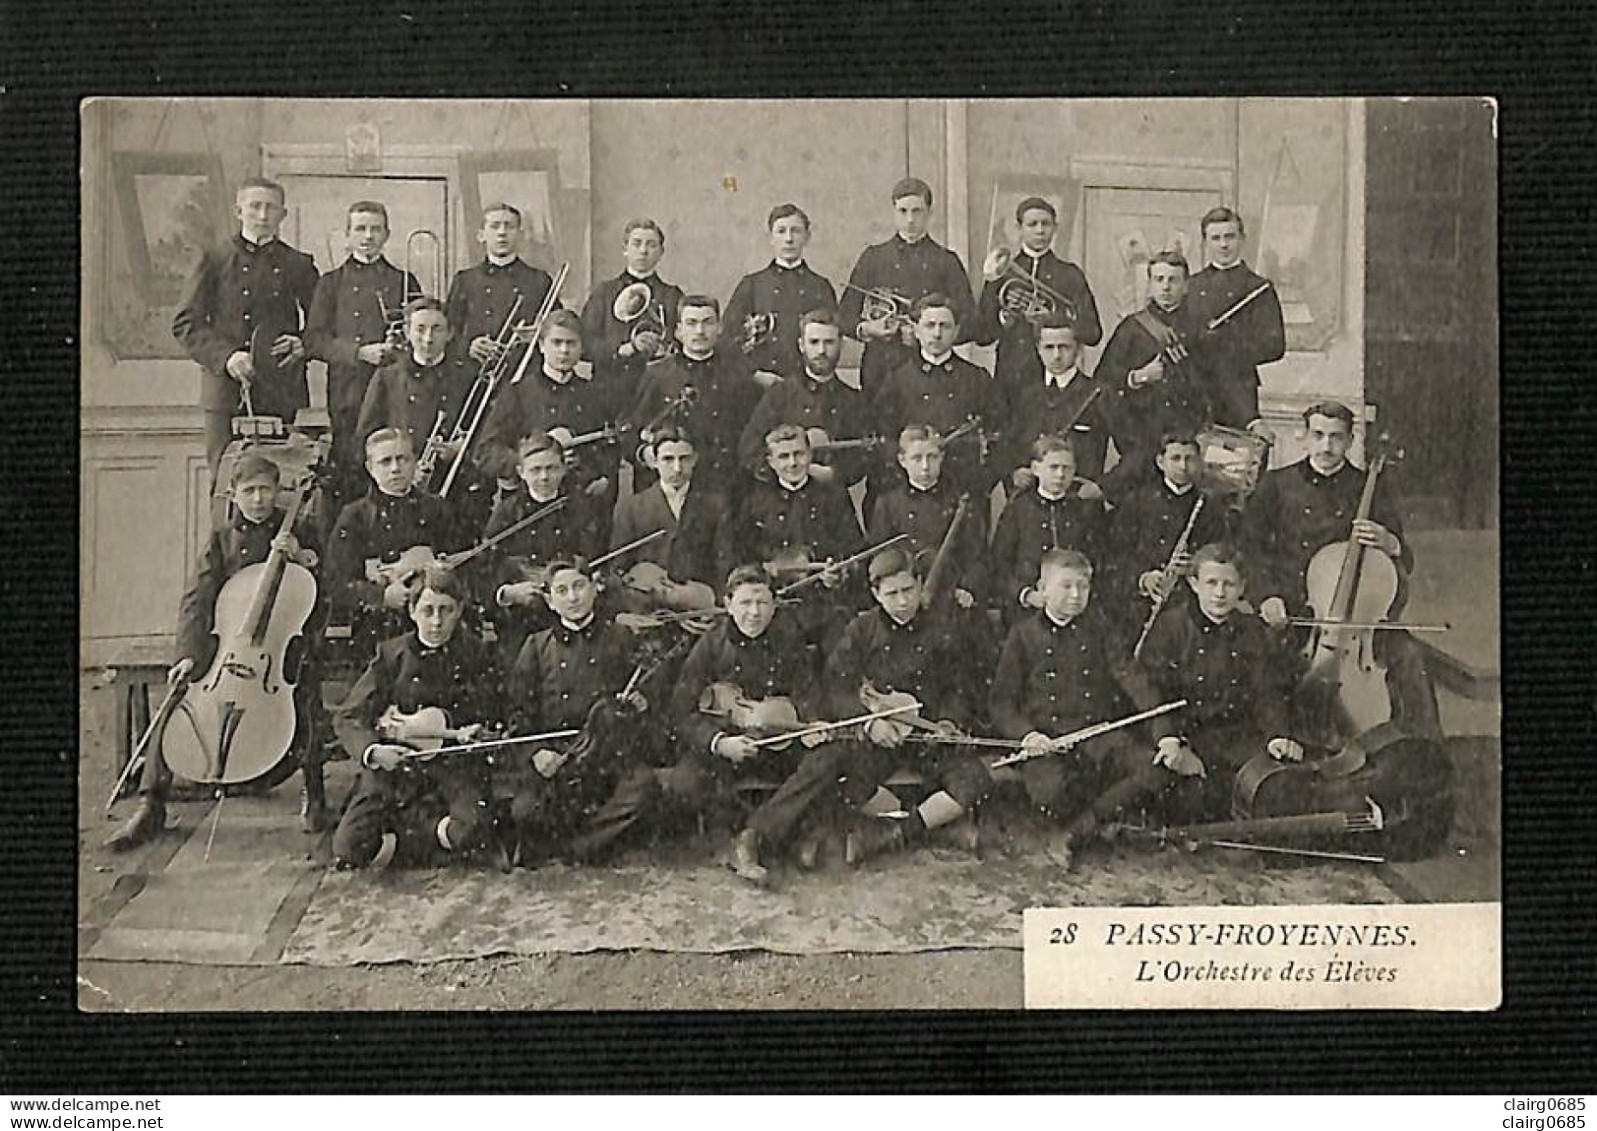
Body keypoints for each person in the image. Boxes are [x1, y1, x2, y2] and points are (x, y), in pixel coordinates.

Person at [106, 454, 328, 848]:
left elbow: (323, 588)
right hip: (228, 644)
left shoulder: (302, 530)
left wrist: (300, 557)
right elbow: (196, 600)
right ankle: (151, 802)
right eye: (249, 491)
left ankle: (315, 791)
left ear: (278, 493)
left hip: (282, 646)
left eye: (265, 490)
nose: (258, 499)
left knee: (307, 697)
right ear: (234, 494)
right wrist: (187, 655)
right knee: (180, 693)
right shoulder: (221, 538)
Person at [1243, 402, 1442, 739]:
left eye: (1336, 438)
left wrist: (1389, 541)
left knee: (1408, 655)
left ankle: (1425, 753)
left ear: (1350, 441)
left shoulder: (1370, 485)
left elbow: (1403, 558)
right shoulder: (1275, 485)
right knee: (1263, 661)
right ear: (1303, 437)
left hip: (1356, 615)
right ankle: (1281, 747)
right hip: (1295, 611)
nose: (1326, 446)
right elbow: (1248, 550)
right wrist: (1265, 597)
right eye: (1318, 435)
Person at [668, 565, 851, 885]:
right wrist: (719, 742)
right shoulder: (709, 645)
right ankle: (773, 835)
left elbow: (808, 693)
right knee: (686, 782)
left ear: (774, 605)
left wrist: (811, 724)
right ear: (728, 603)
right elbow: (681, 712)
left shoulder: (788, 639)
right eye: (745, 603)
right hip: (730, 748)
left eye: (763, 603)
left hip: (776, 742)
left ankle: (752, 836)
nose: (754, 613)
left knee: (831, 756)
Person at [330, 566, 507, 869]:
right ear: (412, 611)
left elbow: (497, 714)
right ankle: (420, 828)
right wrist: (374, 752)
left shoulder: (477, 654)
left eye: (446, 611)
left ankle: (419, 830)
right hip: (397, 766)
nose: (436, 622)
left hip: (453, 766)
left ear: (460, 610)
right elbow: (349, 716)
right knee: (349, 848)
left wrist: (483, 733)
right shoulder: (391, 654)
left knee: (472, 830)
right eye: (427, 611)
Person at [825, 548, 988, 866]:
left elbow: (958, 686)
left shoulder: (941, 627)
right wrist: (871, 724)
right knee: (844, 782)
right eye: (892, 593)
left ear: (919, 583)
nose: (902, 602)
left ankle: (896, 834)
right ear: (875, 593)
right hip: (881, 734)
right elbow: (836, 688)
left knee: (975, 780)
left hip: (927, 735)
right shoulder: (861, 630)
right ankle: (930, 826)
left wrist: (948, 721)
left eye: (908, 590)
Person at [1124, 542, 1304, 823]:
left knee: (1274, 787)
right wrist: (1173, 742)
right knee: (1184, 797)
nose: (1220, 593)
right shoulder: (1170, 628)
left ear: (1242, 587)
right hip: (1187, 735)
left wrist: (1276, 735)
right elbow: (1155, 696)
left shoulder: (1251, 630)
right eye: (1211, 583)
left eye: (1229, 584)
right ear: (1194, 584)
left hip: (1236, 737)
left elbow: (1266, 692)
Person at [988, 549, 1148, 864]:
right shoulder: (1022, 635)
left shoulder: (1099, 629)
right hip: (1047, 740)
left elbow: (1130, 676)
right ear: (1042, 589)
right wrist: (1028, 736)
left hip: (1096, 735)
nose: (1076, 596)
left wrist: (1164, 731)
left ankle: (1075, 832)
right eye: (1066, 586)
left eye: (1083, 587)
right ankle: (1098, 820)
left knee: (1153, 766)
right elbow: (1001, 701)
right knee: (1053, 794)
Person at [503, 559, 659, 866]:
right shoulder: (536, 646)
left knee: (644, 788)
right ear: (549, 600)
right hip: (559, 755)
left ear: (594, 588)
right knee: (525, 810)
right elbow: (517, 712)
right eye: (562, 590)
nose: (573, 597)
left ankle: (579, 846)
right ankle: (594, 841)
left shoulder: (621, 637)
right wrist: (536, 753)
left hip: (610, 755)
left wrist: (642, 701)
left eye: (579, 586)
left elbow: (644, 693)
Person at [173, 177, 320, 473]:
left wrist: (303, 342)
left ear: (283, 214)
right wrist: (227, 357)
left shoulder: (298, 263)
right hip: (224, 392)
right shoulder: (214, 260)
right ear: (238, 211)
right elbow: (186, 323)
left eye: (271, 208)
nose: (263, 216)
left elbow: (322, 323)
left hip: (279, 387)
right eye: (255, 207)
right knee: (225, 478)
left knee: (280, 480)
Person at [304, 200, 419, 502]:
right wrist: (358, 352)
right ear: (348, 234)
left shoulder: (404, 281)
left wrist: (400, 346)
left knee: (395, 466)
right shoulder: (331, 283)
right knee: (350, 470)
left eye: (375, 229)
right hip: (348, 392)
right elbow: (314, 340)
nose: (368, 236)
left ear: (387, 234)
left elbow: (424, 332)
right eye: (360, 229)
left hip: (395, 389)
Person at [478, 309, 623, 530]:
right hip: (526, 508)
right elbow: (485, 450)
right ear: (541, 346)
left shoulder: (594, 395)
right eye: (556, 343)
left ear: (581, 348)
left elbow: (609, 447)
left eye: (571, 343)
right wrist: (526, 462)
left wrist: (601, 477)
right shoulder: (517, 393)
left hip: (578, 508)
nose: (564, 351)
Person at [325, 429, 466, 651]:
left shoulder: (436, 509)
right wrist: (381, 596)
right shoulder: (355, 516)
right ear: (370, 468)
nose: (395, 468)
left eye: (402, 459)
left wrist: (442, 575)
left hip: (435, 625)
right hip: (378, 628)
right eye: (385, 461)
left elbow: (463, 566)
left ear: (415, 462)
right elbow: (336, 582)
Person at [1094, 250, 1215, 502]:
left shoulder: (1201, 329)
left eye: (1173, 280)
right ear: (1150, 284)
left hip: (1187, 441)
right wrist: (1136, 377)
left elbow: (1217, 383)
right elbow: (1101, 381)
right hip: (1140, 439)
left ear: (1186, 286)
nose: (1166, 287)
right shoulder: (1131, 328)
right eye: (1159, 279)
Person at [840, 177, 976, 395]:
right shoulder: (873, 257)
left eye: (917, 211)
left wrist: (927, 334)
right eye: (903, 211)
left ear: (929, 213)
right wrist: (869, 329)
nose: (910, 220)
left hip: (931, 370)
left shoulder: (947, 261)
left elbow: (971, 322)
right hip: (880, 369)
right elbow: (844, 316)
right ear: (894, 212)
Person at [869, 293, 1005, 504]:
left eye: (945, 326)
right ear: (916, 329)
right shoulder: (897, 379)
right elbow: (884, 437)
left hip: (964, 491)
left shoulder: (976, 378)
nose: (937, 333)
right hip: (911, 495)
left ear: (957, 331)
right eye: (930, 325)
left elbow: (999, 433)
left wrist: (982, 481)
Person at [737, 424, 865, 650]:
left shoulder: (833, 496)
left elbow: (854, 549)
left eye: (799, 454)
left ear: (810, 455)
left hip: (826, 605)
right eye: (783, 457)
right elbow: (741, 556)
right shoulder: (754, 503)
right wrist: (766, 571)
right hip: (777, 606)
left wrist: (838, 573)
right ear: (771, 462)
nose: (792, 463)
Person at [484, 431, 606, 662]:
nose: (544, 477)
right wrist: (508, 593)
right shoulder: (506, 514)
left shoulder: (582, 507)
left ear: (563, 468)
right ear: (521, 473)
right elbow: (485, 572)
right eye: (535, 470)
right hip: (521, 619)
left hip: (572, 613)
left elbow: (594, 560)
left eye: (551, 468)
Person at [628, 295, 763, 495]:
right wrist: (644, 453)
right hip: (676, 484)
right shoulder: (657, 374)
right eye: (691, 323)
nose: (700, 331)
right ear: (679, 331)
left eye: (707, 323)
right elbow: (630, 428)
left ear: (720, 328)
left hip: (723, 485)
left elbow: (754, 434)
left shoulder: (738, 376)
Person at [1107, 429, 1233, 635]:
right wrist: (1143, 578)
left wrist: (1194, 566)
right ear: (1160, 462)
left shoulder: (1210, 507)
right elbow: (1116, 555)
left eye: (1189, 459)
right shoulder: (1136, 502)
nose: (1183, 466)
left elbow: (1220, 555)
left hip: (1189, 606)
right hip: (1140, 603)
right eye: (1175, 458)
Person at [975, 196, 1102, 393]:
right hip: (1012, 372)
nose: (1040, 230)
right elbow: (982, 335)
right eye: (1032, 224)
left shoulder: (1070, 274)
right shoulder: (1001, 271)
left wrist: (1053, 319)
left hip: (1056, 375)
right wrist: (1003, 318)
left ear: (1055, 228)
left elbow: (1093, 333)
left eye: (1046, 224)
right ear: (1019, 228)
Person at [737, 309, 870, 490]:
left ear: (841, 344)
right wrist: (787, 472)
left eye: (829, 342)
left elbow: (860, 458)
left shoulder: (852, 400)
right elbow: (749, 449)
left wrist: (834, 474)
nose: (821, 351)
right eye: (814, 342)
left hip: (830, 499)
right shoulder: (780, 394)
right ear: (801, 345)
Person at [354, 297, 474, 484]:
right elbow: (366, 438)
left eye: (437, 329)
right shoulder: (388, 377)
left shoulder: (468, 377)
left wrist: (462, 448)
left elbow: (485, 433)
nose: (428, 338)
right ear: (407, 332)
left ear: (450, 333)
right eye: (420, 329)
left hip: (455, 480)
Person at [1186, 207, 1286, 431]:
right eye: (1216, 238)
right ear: (1205, 242)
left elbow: (1275, 345)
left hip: (1238, 394)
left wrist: (1225, 343)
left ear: (1242, 239)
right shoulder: (1191, 286)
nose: (1223, 245)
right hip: (1193, 391)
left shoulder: (1259, 288)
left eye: (1230, 237)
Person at [867, 426, 987, 611]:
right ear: (902, 460)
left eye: (932, 457)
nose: (925, 466)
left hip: (952, 596)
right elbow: (880, 559)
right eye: (917, 458)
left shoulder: (961, 502)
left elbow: (977, 557)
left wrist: (967, 588)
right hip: (905, 599)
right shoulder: (888, 504)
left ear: (942, 457)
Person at [991, 433, 1107, 623]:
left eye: (1066, 468)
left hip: (1077, 609)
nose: (1060, 475)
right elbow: (999, 565)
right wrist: (1026, 594)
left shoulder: (1086, 510)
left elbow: (1100, 559)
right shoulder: (1018, 509)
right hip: (1028, 611)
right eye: (1053, 468)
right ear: (1036, 469)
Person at [610, 425, 734, 602]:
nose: (677, 468)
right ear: (654, 461)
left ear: (695, 460)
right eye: (668, 459)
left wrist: (711, 603)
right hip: (650, 609)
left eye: (684, 459)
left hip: (699, 607)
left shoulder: (715, 505)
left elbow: (725, 564)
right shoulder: (633, 507)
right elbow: (618, 569)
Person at [723, 203, 839, 384]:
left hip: (807, 385)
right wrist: (754, 374)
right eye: (781, 231)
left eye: (796, 231)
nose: (789, 239)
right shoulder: (752, 285)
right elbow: (727, 338)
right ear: (771, 238)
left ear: (807, 237)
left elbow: (833, 338)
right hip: (760, 385)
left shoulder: (820, 287)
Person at [444, 202, 559, 379]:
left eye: (510, 226)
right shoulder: (465, 280)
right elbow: (447, 331)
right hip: (474, 376)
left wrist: (539, 334)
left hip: (525, 377)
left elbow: (560, 328)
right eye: (494, 226)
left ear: (520, 235)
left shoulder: (539, 280)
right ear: (481, 235)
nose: (502, 233)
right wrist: (469, 346)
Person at [1000, 313, 1115, 487]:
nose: (1056, 355)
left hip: (1080, 502)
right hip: (1032, 504)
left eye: (1064, 347)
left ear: (1078, 349)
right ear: (1038, 349)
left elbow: (1136, 450)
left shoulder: (1099, 394)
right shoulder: (1025, 395)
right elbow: (1007, 447)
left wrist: (1103, 487)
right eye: (1049, 347)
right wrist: (1014, 471)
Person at [580, 218, 684, 398]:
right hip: (609, 390)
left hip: (656, 391)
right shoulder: (604, 292)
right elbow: (584, 343)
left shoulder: (672, 295)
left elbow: (684, 344)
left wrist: (667, 349)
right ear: (625, 249)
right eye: (637, 244)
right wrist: (625, 348)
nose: (643, 251)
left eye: (651, 245)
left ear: (661, 252)